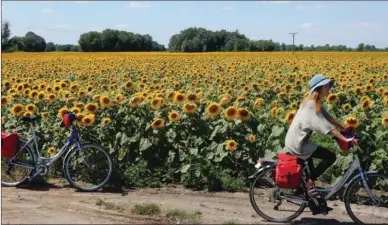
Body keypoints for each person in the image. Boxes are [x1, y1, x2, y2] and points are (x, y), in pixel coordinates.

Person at [285, 74, 358, 198]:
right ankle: (309, 185)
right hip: (298, 144)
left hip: (297, 140)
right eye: (327, 85)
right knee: (330, 157)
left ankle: (307, 195)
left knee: (311, 171)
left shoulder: (314, 101)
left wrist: (343, 127)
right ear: (322, 87)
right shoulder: (311, 105)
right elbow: (326, 127)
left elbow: (328, 118)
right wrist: (345, 139)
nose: (329, 88)